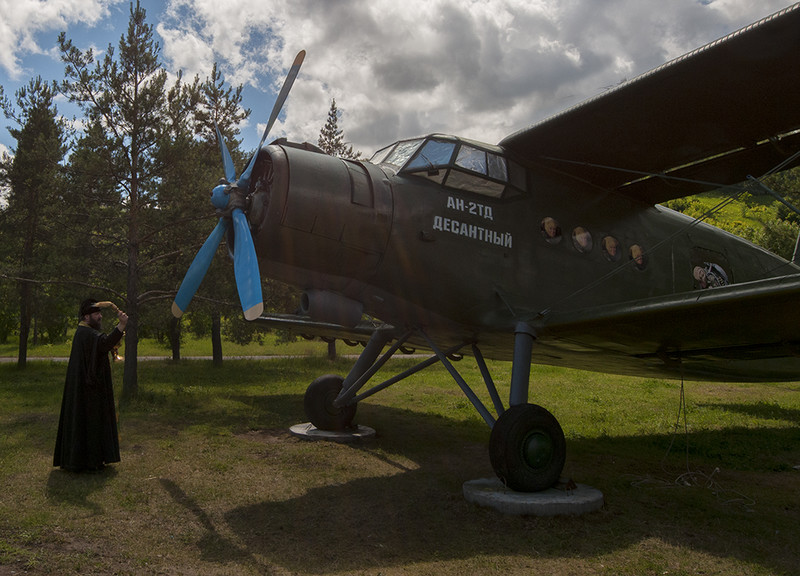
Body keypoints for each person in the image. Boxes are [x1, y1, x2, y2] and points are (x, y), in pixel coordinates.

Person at [54, 298, 128, 473]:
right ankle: (88, 461)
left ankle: (89, 460)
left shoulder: (84, 332)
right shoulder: (85, 333)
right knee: (90, 421)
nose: (100, 316)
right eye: (96, 314)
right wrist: (121, 326)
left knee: (88, 421)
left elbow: (101, 343)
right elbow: (104, 343)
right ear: (86, 317)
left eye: (100, 313)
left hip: (86, 387)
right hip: (88, 390)